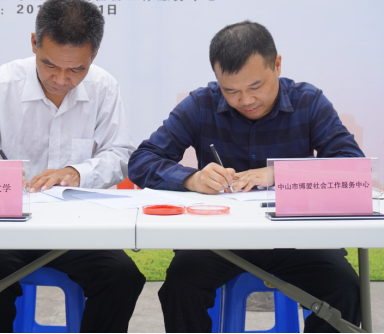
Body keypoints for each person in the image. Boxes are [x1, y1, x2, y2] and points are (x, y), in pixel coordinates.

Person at [128, 21, 363, 333]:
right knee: (180, 289)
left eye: (256, 87)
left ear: (277, 64)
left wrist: (280, 173)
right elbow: (142, 160)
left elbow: (352, 166)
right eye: (231, 91)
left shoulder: (308, 102)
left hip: (295, 238)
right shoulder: (201, 105)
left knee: (345, 290)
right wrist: (191, 179)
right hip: (218, 240)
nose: (246, 100)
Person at [0, 0, 145, 333]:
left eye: (76, 69)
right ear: (34, 43)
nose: (61, 79)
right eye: (50, 65)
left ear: (93, 55)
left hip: (77, 228)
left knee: (123, 277)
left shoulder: (104, 87)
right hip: (7, 229)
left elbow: (121, 154)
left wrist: (77, 173)